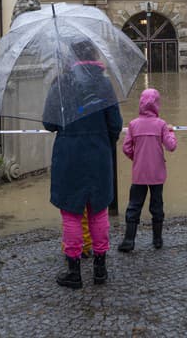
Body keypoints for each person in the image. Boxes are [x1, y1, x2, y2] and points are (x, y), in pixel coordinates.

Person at [44, 39, 122, 289]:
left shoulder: (62, 83)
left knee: (71, 213)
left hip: (69, 156)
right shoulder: (105, 83)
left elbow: (49, 123)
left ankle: (74, 271)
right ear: (94, 55)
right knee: (98, 211)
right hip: (98, 154)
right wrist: (103, 142)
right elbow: (115, 124)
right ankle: (100, 269)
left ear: (71, 57)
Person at [118, 88, 177, 252]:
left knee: (134, 206)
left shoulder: (133, 124)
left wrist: (136, 159)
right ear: (157, 104)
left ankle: (129, 240)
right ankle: (157, 240)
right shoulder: (162, 125)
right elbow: (171, 146)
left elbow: (126, 148)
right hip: (157, 174)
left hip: (139, 174)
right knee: (157, 205)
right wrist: (171, 132)